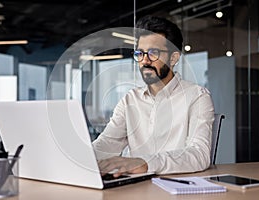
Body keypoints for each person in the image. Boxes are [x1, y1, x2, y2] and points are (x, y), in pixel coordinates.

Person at [92, 15, 214, 177]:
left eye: (153, 53)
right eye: (140, 54)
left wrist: (144, 163)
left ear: (173, 58)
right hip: (135, 187)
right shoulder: (130, 99)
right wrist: (78, 157)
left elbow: (199, 155)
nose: (145, 61)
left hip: (178, 188)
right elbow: (107, 144)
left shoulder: (197, 96)